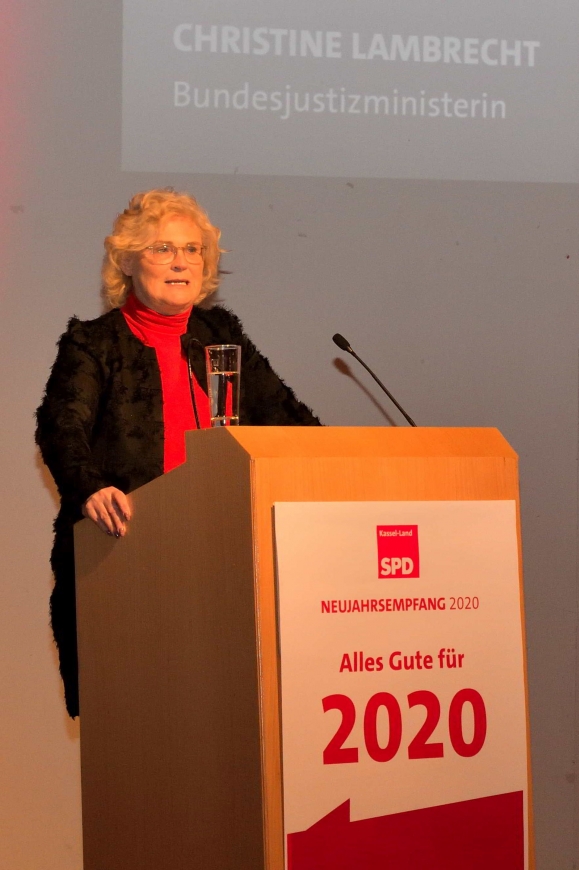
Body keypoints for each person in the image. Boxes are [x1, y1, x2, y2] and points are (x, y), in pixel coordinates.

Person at [36, 188, 320, 718]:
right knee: (139, 715)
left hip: (224, 556)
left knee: (223, 712)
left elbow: (288, 419)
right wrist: (90, 487)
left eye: (193, 250)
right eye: (162, 248)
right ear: (127, 262)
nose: (181, 262)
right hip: (128, 557)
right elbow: (61, 427)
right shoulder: (94, 344)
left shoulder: (221, 336)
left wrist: (334, 457)